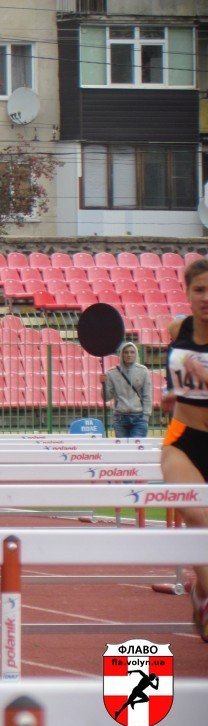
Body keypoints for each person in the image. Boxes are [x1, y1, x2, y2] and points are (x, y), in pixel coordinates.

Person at [161, 257, 208, 643]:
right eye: (200, 290)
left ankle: (202, 592)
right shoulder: (178, 329)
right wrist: (170, 393)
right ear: (188, 293)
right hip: (183, 439)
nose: (206, 297)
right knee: (197, 514)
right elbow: (175, 379)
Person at [101, 341, 152, 438]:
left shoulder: (143, 371)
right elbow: (106, 397)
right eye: (126, 352)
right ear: (121, 354)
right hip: (120, 418)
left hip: (139, 417)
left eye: (132, 352)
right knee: (122, 447)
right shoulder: (112, 373)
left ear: (136, 354)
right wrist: (103, 384)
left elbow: (147, 395)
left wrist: (146, 416)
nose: (129, 355)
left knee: (136, 446)